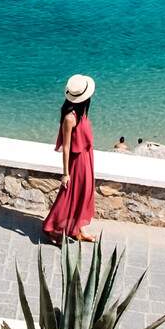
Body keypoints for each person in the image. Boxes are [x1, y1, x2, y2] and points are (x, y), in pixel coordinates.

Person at [44, 74, 97, 244]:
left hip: (87, 158)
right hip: (76, 162)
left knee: (84, 194)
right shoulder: (70, 118)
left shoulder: (82, 112)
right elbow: (66, 147)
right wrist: (65, 174)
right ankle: (52, 229)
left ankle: (78, 230)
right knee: (69, 196)